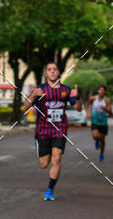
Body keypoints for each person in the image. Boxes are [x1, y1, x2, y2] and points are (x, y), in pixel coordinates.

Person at [24, 62, 81, 201]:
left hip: (59, 129)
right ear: (46, 73)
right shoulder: (40, 90)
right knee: (44, 164)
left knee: (57, 158)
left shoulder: (66, 90)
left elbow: (78, 108)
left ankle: (50, 190)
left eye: (55, 69)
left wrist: (78, 97)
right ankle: (47, 153)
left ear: (59, 72)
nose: (52, 72)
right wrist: (32, 96)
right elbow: (25, 108)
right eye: (49, 70)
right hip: (43, 130)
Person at [86, 84, 112, 161]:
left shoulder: (107, 100)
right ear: (98, 91)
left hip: (103, 122)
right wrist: (88, 113)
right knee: (95, 136)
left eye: (103, 90)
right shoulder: (93, 98)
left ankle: (101, 154)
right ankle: (96, 140)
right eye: (100, 90)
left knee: (103, 140)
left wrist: (105, 109)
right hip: (95, 121)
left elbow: (110, 112)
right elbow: (87, 105)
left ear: (105, 92)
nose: (101, 91)